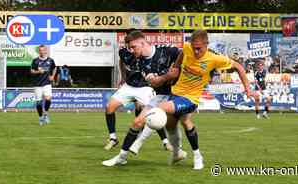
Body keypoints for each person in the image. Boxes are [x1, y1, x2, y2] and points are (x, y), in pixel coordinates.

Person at [102, 30, 253, 170]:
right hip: (173, 93)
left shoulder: (214, 58)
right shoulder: (185, 49)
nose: (195, 51)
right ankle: (123, 157)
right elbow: (179, 58)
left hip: (190, 98)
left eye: (199, 48)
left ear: (206, 45)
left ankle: (138, 144)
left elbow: (239, 66)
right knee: (170, 123)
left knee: (159, 111)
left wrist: (248, 89)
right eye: (194, 48)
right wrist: (175, 68)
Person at [102, 30, 181, 165]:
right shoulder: (141, 62)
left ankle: (173, 147)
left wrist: (178, 68)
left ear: (143, 42)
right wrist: (168, 76)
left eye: (134, 47)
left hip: (180, 93)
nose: (131, 50)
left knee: (175, 122)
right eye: (129, 47)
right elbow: (155, 82)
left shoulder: (166, 51)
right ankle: (121, 155)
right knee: (139, 121)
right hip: (159, 93)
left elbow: (185, 53)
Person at [30, 45, 56, 125]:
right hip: (37, 84)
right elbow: (31, 71)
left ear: (46, 51)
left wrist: (52, 76)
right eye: (40, 50)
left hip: (47, 83)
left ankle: (46, 114)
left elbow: (55, 68)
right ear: (39, 51)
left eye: (43, 50)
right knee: (39, 103)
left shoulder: (50, 60)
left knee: (48, 99)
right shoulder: (35, 61)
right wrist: (38, 72)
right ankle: (41, 117)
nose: (41, 52)